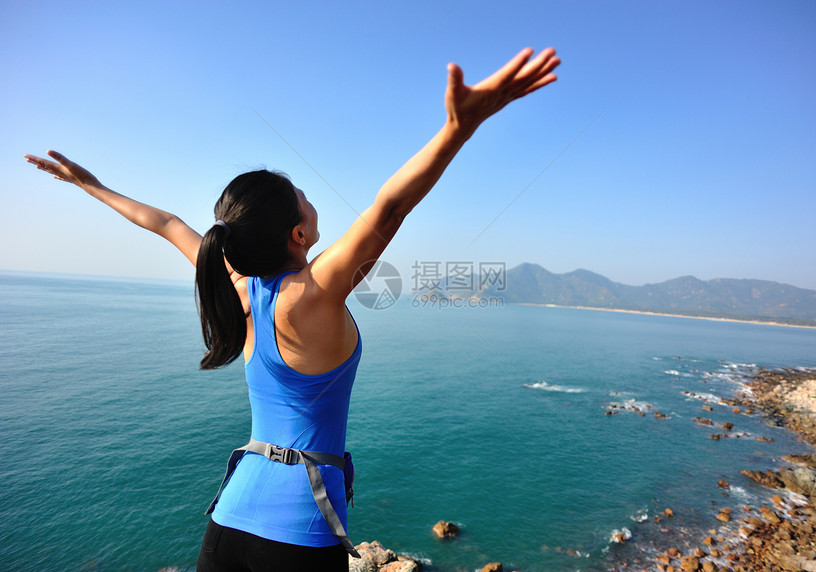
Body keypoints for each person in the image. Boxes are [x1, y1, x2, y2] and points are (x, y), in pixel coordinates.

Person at [24, 47, 560, 572]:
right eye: (303, 194)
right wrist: (456, 130)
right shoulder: (317, 290)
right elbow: (391, 206)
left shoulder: (235, 283)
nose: (309, 195)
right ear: (298, 234)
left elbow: (165, 223)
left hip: (230, 518)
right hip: (302, 532)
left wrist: (90, 186)